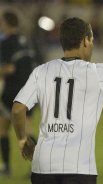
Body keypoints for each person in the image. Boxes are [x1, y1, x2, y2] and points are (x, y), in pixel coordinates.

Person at [11, 17, 103, 184]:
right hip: (78, 167)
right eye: (91, 40)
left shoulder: (41, 71)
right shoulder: (97, 73)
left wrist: (22, 139)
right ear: (85, 40)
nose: (91, 44)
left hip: (43, 166)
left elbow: (18, 109)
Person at [0, 10, 35, 177]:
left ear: (6, 23)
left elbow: (9, 68)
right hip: (30, 90)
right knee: (27, 130)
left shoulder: (6, 43)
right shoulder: (26, 41)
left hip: (12, 92)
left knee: (3, 129)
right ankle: (36, 167)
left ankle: (7, 167)